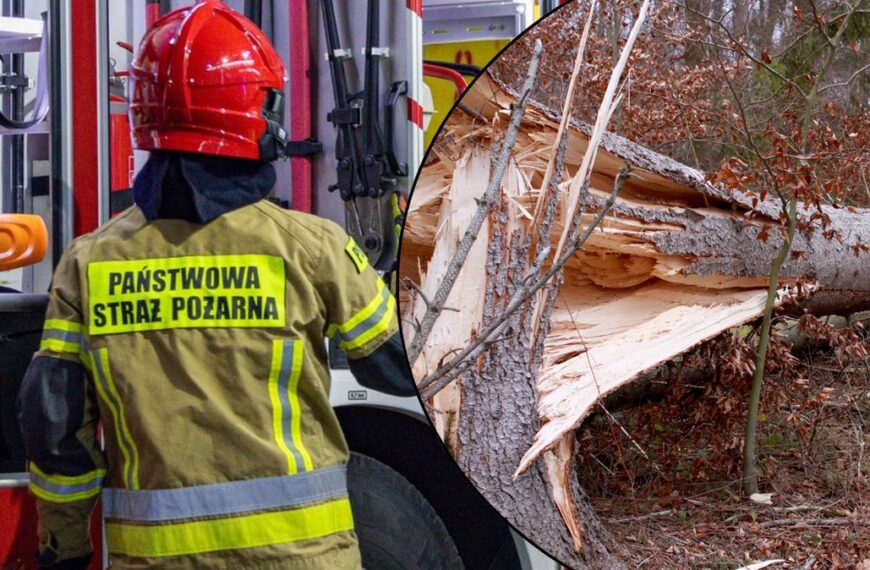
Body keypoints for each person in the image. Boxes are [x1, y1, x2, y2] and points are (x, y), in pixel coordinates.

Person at [17, 2, 413, 568]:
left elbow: (54, 429)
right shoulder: (310, 247)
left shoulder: (87, 264)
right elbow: (400, 368)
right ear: (254, 114)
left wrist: (66, 547)